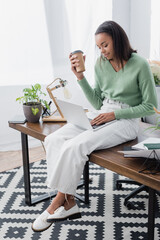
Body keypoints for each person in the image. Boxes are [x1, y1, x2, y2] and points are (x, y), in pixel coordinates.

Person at [32, 20, 158, 232]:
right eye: (99, 47)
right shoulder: (100, 64)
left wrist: (115, 114)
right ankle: (69, 201)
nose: (102, 51)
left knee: (76, 146)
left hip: (126, 120)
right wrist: (80, 77)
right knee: (53, 139)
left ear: (118, 40)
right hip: (102, 113)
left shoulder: (139, 64)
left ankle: (57, 203)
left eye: (105, 45)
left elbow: (150, 106)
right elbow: (98, 102)